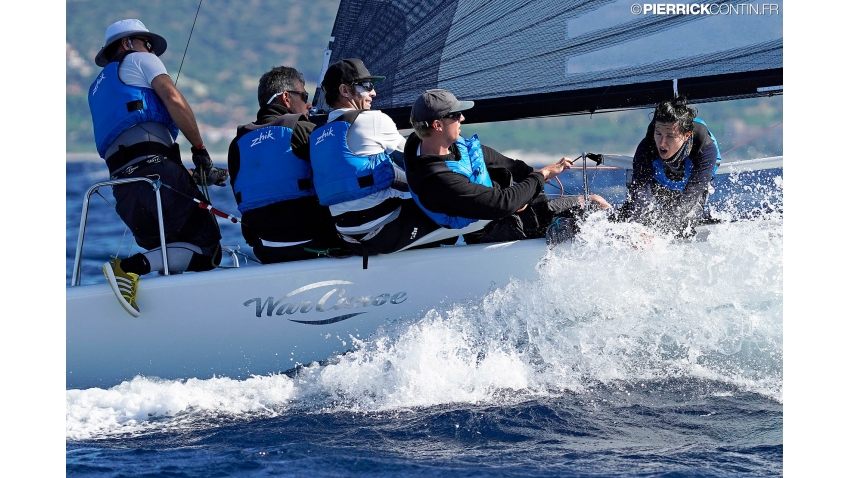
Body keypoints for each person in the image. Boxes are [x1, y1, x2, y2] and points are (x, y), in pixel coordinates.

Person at [88, 19, 228, 316]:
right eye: (147, 43)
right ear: (128, 43)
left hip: (123, 192)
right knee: (207, 251)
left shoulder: (97, 88)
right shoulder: (140, 59)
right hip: (155, 178)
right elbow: (173, 98)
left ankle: (163, 301)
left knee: (169, 248)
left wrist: (190, 175)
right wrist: (200, 150)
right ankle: (128, 268)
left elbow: (135, 155)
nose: (152, 51)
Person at [404, 89, 611, 244]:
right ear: (437, 125)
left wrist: (527, 172)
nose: (462, 118)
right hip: (496, 229)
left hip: (512, 209)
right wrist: (542, 174)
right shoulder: (439, 181)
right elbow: (501, 203)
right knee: (590, 214)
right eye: (456, 115)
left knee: (595, 202)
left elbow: (487, 156)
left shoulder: (428, 143)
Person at [309, 59, 444, 266]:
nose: (374, 93)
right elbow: (419, 161)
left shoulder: (317, 136)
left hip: (350, 237)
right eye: (367, 86)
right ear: (345, 90)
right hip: (386, 231)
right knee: (459, 202)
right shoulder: (373, 120)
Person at [227, 66, 347, 263]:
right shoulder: (305, 129)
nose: (309, 104)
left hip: (266, 249)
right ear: (286, 98)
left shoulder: (237, 144)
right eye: (304, 96)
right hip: (318, 243)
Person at [613, 95, 722, 236]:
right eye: (658, 134)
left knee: (684, 223)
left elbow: (690, 196)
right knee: (630, 218)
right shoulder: (646, 147)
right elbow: (640, 192)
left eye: (670, 136)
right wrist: (638, 229)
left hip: (691, 184)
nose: (662, 143)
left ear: (687, 135)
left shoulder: (706, 149)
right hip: (659, 181)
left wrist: (656, 232)